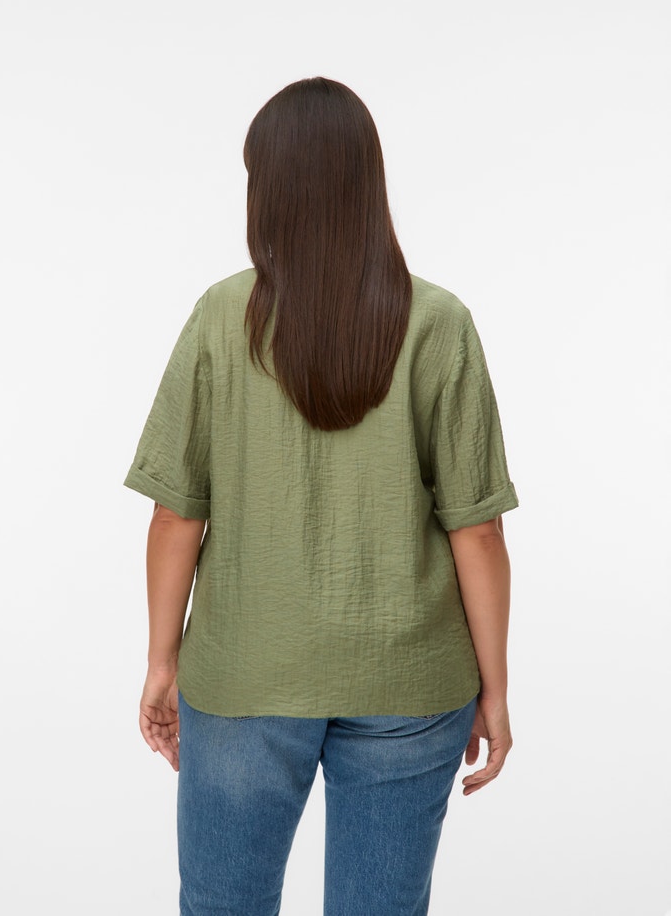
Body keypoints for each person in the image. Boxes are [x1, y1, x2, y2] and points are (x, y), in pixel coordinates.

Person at [124, 76, 518, 916]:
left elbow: (175, 511)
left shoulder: (221, 317)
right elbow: (477, 529)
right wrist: (495, 685)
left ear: (265, 189)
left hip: (245, 671)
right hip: (411, 680)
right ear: (368, 181)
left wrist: (162, 661)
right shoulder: (438, 321)